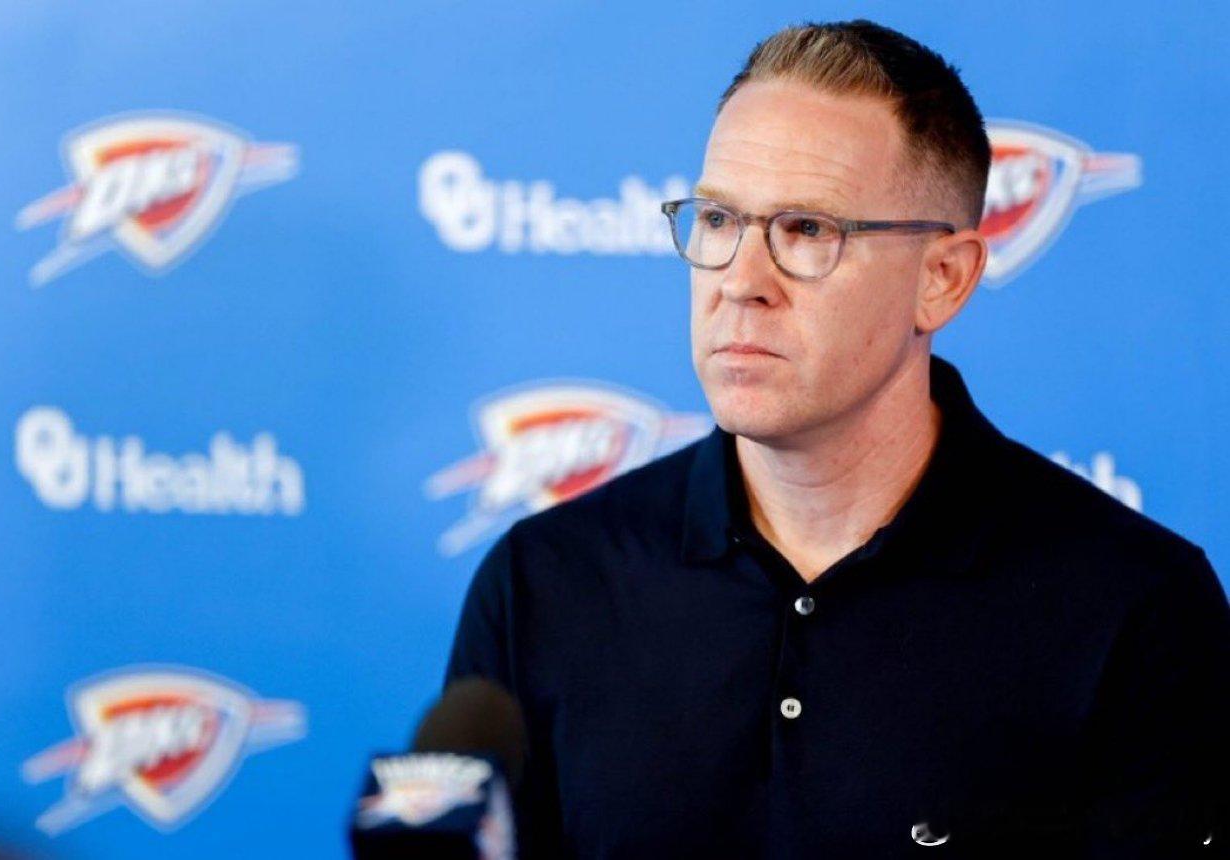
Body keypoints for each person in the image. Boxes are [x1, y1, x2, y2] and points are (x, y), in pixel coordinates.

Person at [444, 19, 1228, 858]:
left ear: (943, 278)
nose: (741, 282)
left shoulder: (1136, 609)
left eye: (808, 230)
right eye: (719, 219)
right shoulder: (542, 584)